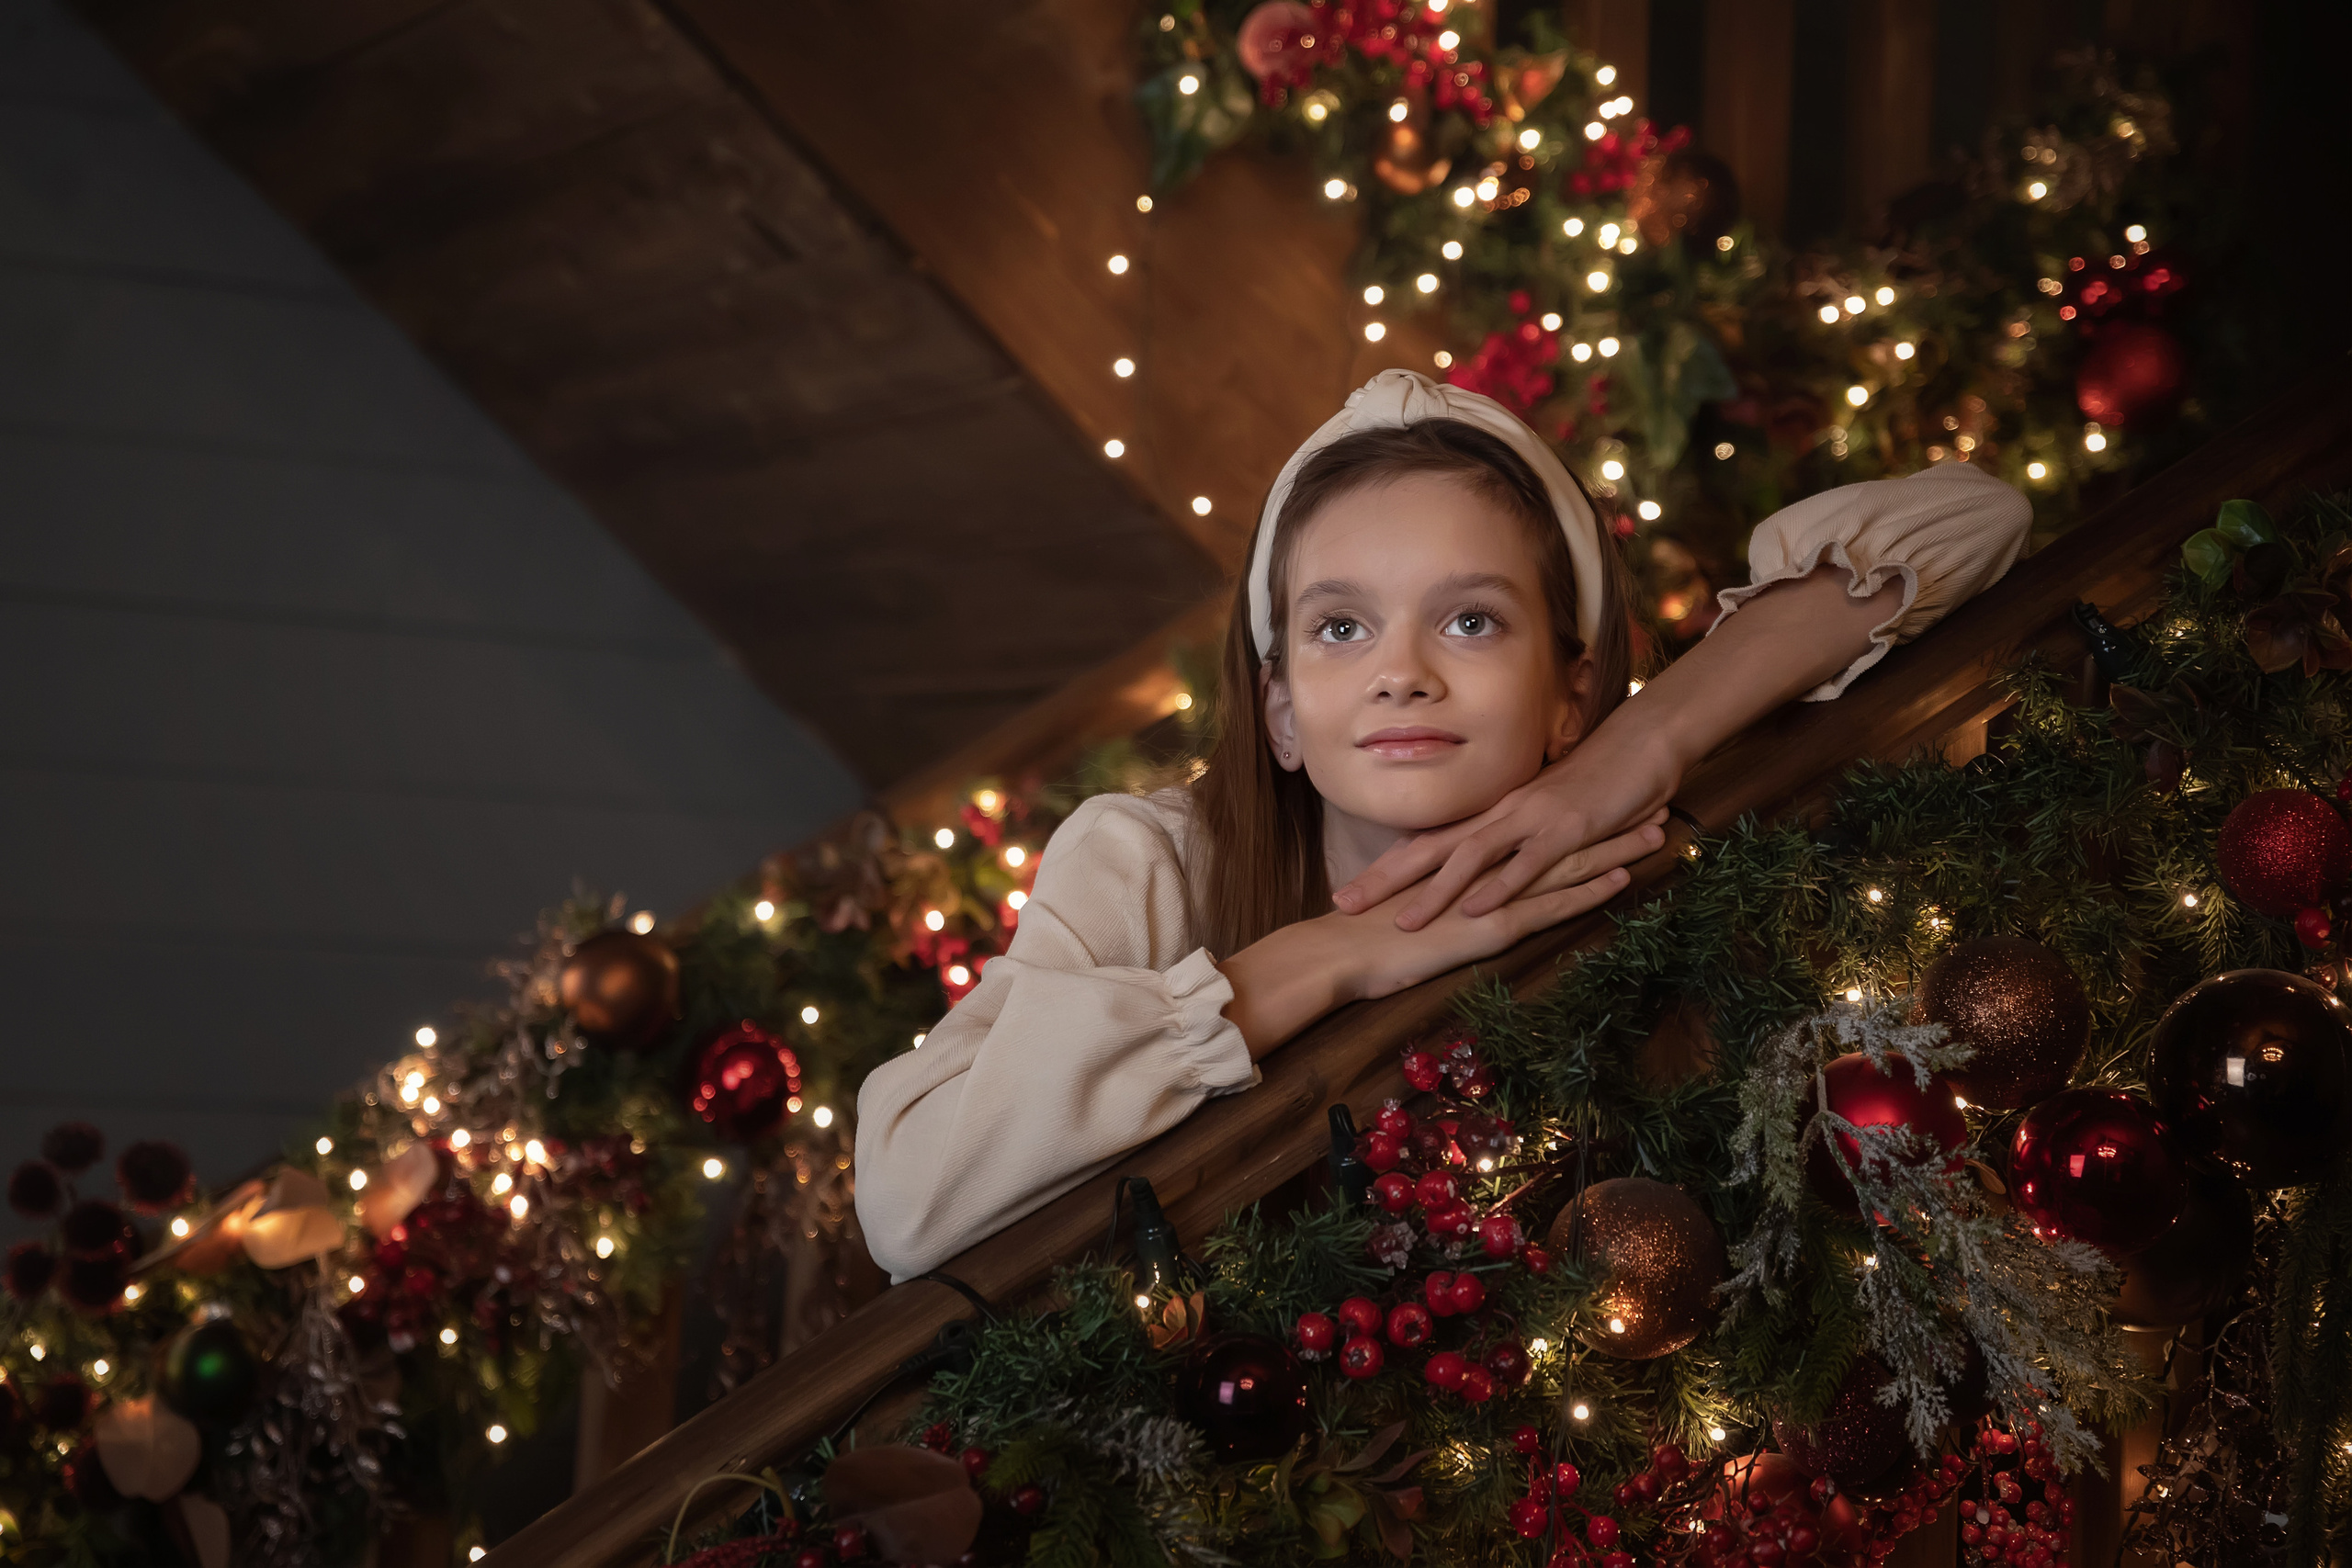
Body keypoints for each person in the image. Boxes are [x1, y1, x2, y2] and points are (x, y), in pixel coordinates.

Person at [854, 369, 2029, 1281]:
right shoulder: (1153, 864)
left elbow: (1975, 516)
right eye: (1339, 629)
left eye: (1469, 621)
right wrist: (1323, 957)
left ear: (1567, 690)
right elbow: (909, 1203)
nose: (1400, 673)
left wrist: (1638, 745)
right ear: (1277, 711)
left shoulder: (1624, 840)